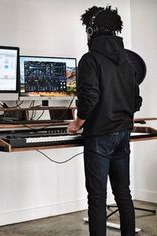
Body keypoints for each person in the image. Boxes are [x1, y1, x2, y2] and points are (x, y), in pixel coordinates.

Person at [67, 5, 142, 236]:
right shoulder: (126, 62)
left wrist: (77, 123)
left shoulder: (90, 59)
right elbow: (136, 101)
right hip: (122, 136)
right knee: (123, 193)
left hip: (100, 137)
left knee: (98, 198)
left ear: (92, 29)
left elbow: (89, 98)